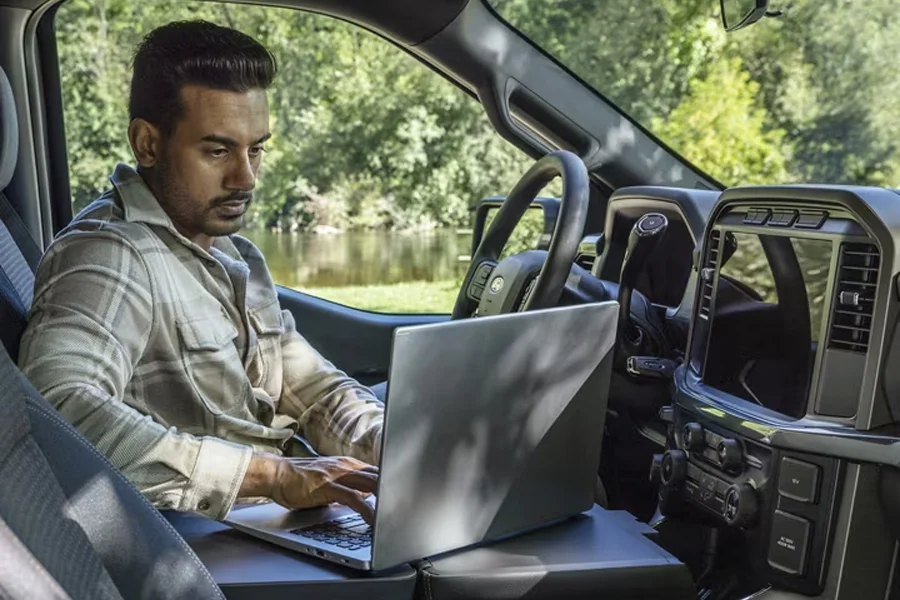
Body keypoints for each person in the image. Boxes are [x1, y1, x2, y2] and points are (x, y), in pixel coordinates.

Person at [17, 20, 384, 524]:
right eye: (218, 150)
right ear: (147, 144)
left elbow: (312, 390)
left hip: (276, 522)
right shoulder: (110, 253)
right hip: (203, 540)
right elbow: (58, 411)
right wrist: (271, 476)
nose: (246, 177)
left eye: (256, 148)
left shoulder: (234, 254)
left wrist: (396, 450)